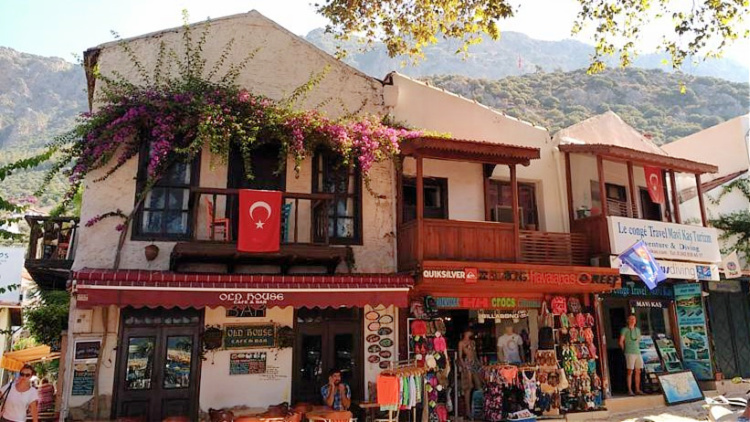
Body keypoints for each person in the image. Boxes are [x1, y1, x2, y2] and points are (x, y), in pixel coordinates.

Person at [458, 330, 483, 418]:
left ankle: (478, 409)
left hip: (474, 362)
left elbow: (475, 353)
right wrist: (463, 365)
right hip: (467, 363)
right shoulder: (461, 343)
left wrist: (479, 363)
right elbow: (460, 356)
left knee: (479, 385)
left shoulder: (472, 342)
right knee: (468, 386)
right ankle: (468, 411)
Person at [619, 314, 644, 396]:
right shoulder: (625, 330)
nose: (633, 320)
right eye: (631, 319)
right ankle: (630, 390)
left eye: (634, 319)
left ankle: (637, 389)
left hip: (637, 352)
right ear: (628, 320)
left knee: (638, 371)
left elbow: (638, 340)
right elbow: (621, 341)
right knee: (630, 371)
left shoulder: (637, 330)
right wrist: (625, 350)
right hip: (629, 352)